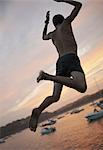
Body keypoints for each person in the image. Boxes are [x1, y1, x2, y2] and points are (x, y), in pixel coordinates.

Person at [29, 0, 87, 132]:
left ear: (54, 24)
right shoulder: (66, 23)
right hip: (71, 58)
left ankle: (39, 110)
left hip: (60, 62)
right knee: (82, 87)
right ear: (62, 20)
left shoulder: (53, 34)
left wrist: (46, 23)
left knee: (55, 97)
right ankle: (48, 76)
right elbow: (79, 5)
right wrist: (62, 0)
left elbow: (43, 36)